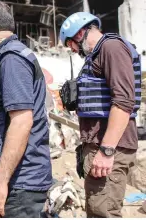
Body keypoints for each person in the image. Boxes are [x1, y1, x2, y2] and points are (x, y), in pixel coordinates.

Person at [0, 0, 52, 218]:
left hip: (17, 187)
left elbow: (21, 121)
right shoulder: (4, 59)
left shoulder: (11, 60)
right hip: (13, 186)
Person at [59, 12, 142, 217]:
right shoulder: (98, 53)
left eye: (70, 43)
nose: (72, 49)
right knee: (97, 210)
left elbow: (123, 102)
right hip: (101, 147)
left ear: (79, 33)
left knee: (103, 212)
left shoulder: (111, 48)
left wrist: (106, 151)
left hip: (110, 149)